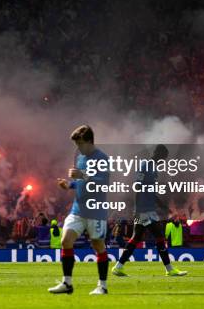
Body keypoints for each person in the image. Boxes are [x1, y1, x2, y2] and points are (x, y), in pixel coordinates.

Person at [48, 125, 110, 295]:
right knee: (65, 240)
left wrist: (81, 175)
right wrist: (69, 185)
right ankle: (67, 284)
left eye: (80, 143)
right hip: (77, 209)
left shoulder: (102, 158)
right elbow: (82, 182)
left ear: (90, 141)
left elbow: (103, 183)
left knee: (98, 245)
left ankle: (102, 286)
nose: (78, 147)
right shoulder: (80, 157)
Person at [112, 145, 187, 277]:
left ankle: (118, 267)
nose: (163, 161)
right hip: (143, 210)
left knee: (136, 237)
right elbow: (137, 186)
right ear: (157, 153)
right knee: (159, 236)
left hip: (149, 209)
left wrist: (164, 206)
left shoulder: (154, 170)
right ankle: (169, 269)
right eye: (163, 157)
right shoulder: (144, 165)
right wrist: (137, 209)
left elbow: (151, 192)